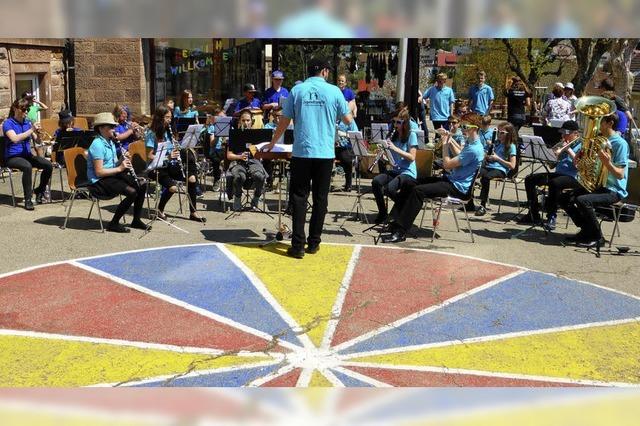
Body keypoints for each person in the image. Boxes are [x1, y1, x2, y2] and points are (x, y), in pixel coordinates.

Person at [265, 56, 353, 259]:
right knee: (321, 199)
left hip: (302, 152)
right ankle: (314, 243)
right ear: (323, 71)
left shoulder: (297, 90)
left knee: (299, 198)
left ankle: (297, 246)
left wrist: (272, 142)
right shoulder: (334, 91)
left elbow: (284, 121)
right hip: (324, 153)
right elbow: (348, 119)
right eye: (328, 71)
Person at [384, 112, 486, 243]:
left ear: (475, 128)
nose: (463, 130)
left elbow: (447, 165)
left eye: (465, 127)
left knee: (418, 191)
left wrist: (445, 145)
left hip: (457, 188)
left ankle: (401, 230)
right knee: (410, 183)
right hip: (452, 180)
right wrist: (449, 139)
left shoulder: (475, 149)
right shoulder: (471, 143)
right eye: (463, 127)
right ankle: (395, 221)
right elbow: (461, 155)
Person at [559, 113, 629, 247]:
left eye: (600, 122)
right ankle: (587, 230)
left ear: (610, 123)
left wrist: (608, 164)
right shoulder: (597, 140)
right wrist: (580, 159)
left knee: (583, 200)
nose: (597, 125)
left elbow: (620, 174)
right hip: (597, 185)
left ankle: (598, 237)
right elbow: (587, 164)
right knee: (564, 198)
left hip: (613, 190)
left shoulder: (620, 144)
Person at [87, 112, 149, 233]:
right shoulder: (97, 145)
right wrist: (121, 168)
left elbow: (113, 165)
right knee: (132, 192)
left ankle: (136, 220)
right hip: (99, 181)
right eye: (110, 126)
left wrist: (122, 159)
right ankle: (114, 223)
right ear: (101, 128)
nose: (114, 129)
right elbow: (99, 172)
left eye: (113, 126)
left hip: (111, 175)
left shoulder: (110, 141)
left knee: (142, 184)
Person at [145, 106, 206, 223]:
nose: (170, 120)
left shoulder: (168, 132)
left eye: (170, 117)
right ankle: (159, 210)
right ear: (159, 118)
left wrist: (178, 148)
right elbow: (149, 156)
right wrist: (167, 157)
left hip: (170, 165)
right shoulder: (151, 134)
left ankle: (193, 213)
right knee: (172, 187)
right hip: (156, 166)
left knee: (192, 179)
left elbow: (174, 149)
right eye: (167, 117)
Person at [519, 120, 582, 230]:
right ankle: (533, 213)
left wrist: (568, 150)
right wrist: (552, 156)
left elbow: (580, 167)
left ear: (575, 133)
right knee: (530, 179)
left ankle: (551, 216)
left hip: (573, 177)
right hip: (559, 174)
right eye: (562, 133)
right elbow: (551, 167)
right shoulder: (562, 144)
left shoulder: (582, 146)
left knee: (555, 183)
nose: (563, 135)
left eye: (566, 133)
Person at [2, 98, 52, 210]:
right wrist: (31, 130)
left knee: (48, 165)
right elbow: (14, 139)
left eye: (27, 109)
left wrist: (38, 134)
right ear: (15, 109)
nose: (26, 112)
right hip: (12, 157)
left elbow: (38, 142)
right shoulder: (8, 123)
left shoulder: (27, 122)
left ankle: (40, 189)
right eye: (23, 109)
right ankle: (28, 199)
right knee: (27, 167)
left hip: (27, 155)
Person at [371, 108, 418, 225]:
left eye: (399, 122)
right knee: (376, 182)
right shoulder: (393, 135)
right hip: (396, 170)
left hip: (407, 172)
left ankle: (404, 207)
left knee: (389, 189)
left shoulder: (411, 135)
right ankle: (382, 212)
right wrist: (383, 156)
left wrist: (394, 148)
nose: (395, 125)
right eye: (394, 122)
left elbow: (412, 157)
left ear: (405, 123)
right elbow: (392, 161)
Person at [469, 122, 518, 216]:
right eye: (498, 132)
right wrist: (486, 155)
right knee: (473, 173)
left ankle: (482, 206)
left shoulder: (511, 146)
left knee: (486, 178)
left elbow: (512, 166)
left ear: (509, 134)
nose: (499, 135)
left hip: (501, 170)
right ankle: (469, 201)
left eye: (502, 133)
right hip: (489, 166)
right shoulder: (496, 143)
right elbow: (487, 155)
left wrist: (497, 158)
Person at [226, 110, 268, 211]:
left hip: (253, 161)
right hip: (238, 161)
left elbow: (262, 155)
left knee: (260, 176)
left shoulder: (258, 135)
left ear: (252, 121)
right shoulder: (234, 135)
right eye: (243, 120)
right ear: (239, 121)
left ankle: (256, 198)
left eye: (248, 120)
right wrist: (239, 157)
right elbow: (229, 155)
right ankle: (237, 198)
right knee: (239, 176)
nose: (245, 122)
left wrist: (256, 151)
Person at [201, 108, 227, 192]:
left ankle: (232, 180)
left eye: (223, 117)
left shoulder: (229, 127)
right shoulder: (212, 127)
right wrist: (218, 135)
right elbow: (212, 144)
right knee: (216, 158)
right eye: (219, 118)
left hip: (226, 149)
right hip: (215, 150)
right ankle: (217, 179)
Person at [334, 116, 359, 192]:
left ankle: (348, 184)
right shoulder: (331, 117)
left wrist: (343, 134)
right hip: (331, 147)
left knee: (346, 159)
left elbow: (356, 135)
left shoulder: (349, 120)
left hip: (345, 147)